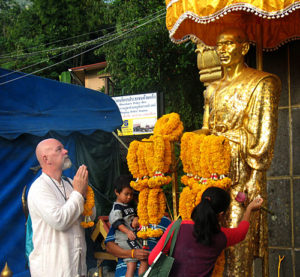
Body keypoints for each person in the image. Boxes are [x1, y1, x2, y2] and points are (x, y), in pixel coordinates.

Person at [195, 28, 281, 276]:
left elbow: (265, 138)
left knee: (236, 243)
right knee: (209, 240)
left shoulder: (262, 83)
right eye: (218, 45)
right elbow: (206, 130)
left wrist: (254, 179)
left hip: (242, 173)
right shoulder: (212, 89)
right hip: (213, 172)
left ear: (244, 48)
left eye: (229, 44)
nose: (222, 49)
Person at [148, 187, 263, 277]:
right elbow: (241, 233)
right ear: (221, 214)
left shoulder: (177, 227)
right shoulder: (222, 236)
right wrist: (249, 209)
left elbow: (152, 259)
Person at [27, 138, 95, 277]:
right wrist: (78, 193)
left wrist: (83, 194)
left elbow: (90, 217)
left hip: (77, 267)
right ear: (46, 159)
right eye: (59, 149)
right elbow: (60, 221)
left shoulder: (70, 183)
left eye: (63, 148)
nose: (66, 151)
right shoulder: (39, 188)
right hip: (53, 270)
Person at [105, 215, 171, 277]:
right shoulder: (123, 219)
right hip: (125, 270)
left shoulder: (165, 221)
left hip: (153, 271)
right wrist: (132, 253)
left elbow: (171, 252)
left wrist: (153, 255)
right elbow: (109, 246)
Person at [108, 175, 148, 277]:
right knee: (136, 262)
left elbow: (132, 217)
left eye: (131, 194)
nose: (129, 197)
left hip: (131, 238)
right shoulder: (116, 208)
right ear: (117, 192)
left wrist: (135, 219)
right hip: (125, 239)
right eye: (126, 194)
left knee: (137, 261)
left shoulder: (128, 206)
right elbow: (117, 223)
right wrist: (128, 231)